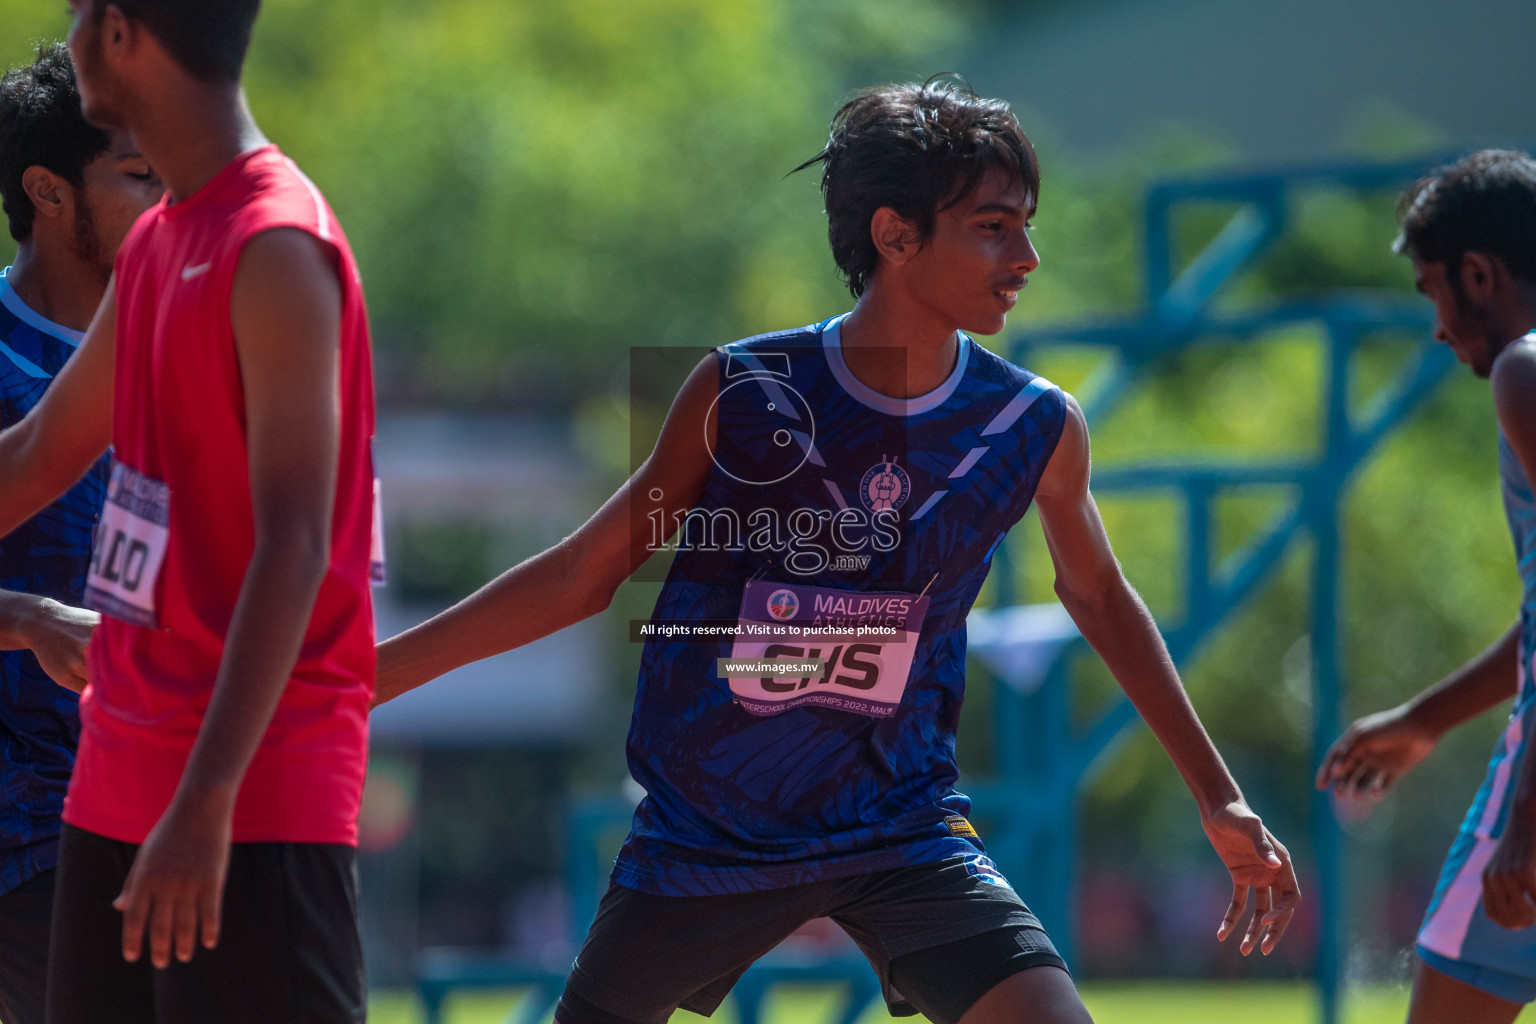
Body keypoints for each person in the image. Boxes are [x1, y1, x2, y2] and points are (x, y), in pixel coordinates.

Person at [376, 81, 1299, 1024]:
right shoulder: (745, 389)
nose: (1027, 257)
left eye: (1026, 226)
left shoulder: (1035, 425)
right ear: (895, 236)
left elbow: (1099, 597)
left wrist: (1218, 797)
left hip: (902, 831)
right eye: (993, 227)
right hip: (711, 835)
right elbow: (585, 571)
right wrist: (362, 679)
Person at [0, 1, 381, 1020]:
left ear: (121, 34)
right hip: (117, 776)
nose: (70, 31)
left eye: (83, 13)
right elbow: (35, 457)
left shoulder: (276, 243)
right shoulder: (165, 239)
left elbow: (296, 549)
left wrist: (206, 797)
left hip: (246, 791)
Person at [1318, 150, 1536, 1024]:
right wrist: (1424, 721)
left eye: (1431, 290)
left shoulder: (1525, 367)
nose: (1439, 327)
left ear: (1478, 273)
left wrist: (1528, 818)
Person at [0, 42, 163, 1024]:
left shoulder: (202, 349)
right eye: (142, 175)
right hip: (35, 831)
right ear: (48, 194)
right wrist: (24, 617)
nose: (174, 199)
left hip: (163, 812)